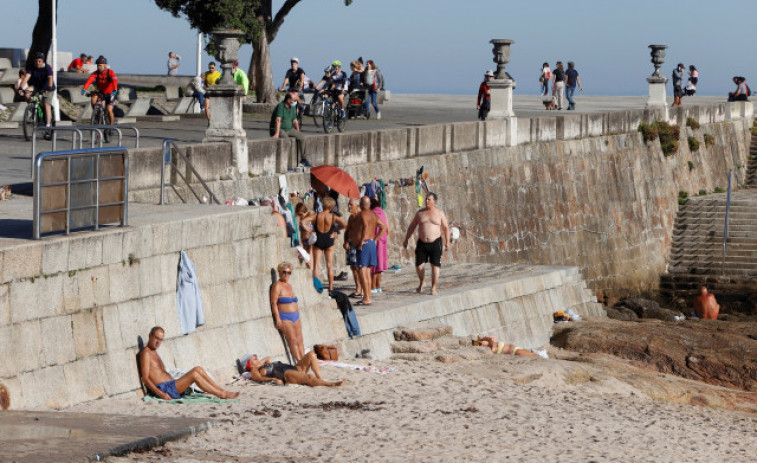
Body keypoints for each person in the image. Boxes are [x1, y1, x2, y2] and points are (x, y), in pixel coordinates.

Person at [139, 326, 240, 400]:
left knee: (198, 369)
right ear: (150, 336)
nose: (158, 342)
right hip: (165, 389)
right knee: (194, 375)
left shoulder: (154, 352)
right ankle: (221, 394)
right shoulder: (146, 353)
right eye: (156, 338)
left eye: (160, 340)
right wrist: (161, 394)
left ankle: (222, 390)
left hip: (171, 385)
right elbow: (145, 378)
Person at [403, 192, 451, 296]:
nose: (426, 201)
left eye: (429, 200)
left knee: (435, 266)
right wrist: (406, 239)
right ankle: (422, 281)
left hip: (435, 242)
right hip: (422, 242)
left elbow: (446, 227)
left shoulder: (439, 213)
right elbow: (412, 226)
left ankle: (433, 287)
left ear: (434, 201)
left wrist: (447, 242)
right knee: (419, 266)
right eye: (426, 199)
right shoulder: (420, 213)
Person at [353, 196, 386, 305]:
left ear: (362, 205)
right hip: (371, 243)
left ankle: (367, 298)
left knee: (362, 271)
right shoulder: (373, 214)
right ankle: (368, 297)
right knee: (367, 272)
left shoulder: (362, 214)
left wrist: (362, 240)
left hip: (365, 244)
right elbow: (383, 227)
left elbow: (366, 225)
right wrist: (375, 240)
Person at [309, 196, 347, 292]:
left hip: (318, 238)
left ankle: (316, 286)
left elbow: (303, 222)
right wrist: (335, 230)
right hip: (329, 239)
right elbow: (345, 225)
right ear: (331, 206)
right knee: (329, 265)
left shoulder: (316, 215)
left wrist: (311, 230)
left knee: (316, 264)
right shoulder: (333, 217)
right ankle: (331, 288)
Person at [270, 262, 306, 362]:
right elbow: (273, 303)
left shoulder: (289, 286)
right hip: (285, 317)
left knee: (300, 339)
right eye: (284, 272)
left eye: (289, 272)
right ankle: (299, 362)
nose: (286, 274)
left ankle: (304, 361)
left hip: (296, 316)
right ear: (279, 272)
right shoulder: (277, 285)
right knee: (293, 340)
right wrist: (277, 319)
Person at [246, 352, 344, 387]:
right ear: (250, 364)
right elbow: (258, 379)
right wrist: (273, 379)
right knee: (309, 377)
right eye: (254, 359)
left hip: (293, 367)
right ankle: (331, 384)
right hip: (286, 374)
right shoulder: (254, 371)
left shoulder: (262, 365)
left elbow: (268, 357)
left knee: (311, 354)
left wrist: (259, 363)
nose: (258, 359)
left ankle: (320, 379)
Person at [17, 52, 55, 130]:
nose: (38, 63)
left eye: (39, 61)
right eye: (36, 61)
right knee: (27, 94)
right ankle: (33, 108)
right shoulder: (32, 67)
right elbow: (26, 77)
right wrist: (21, 87)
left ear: (43, 61)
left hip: (47, 87)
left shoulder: (47, 67)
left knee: (46, 104)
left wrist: (48, 88)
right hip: (37, 86)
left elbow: (50, 79)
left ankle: (48, 126)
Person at [270, 91, 307, 162]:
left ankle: (304, 158)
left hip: (289, 129)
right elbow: (278, 120)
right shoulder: (281, 106)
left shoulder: (292, 108)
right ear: (288, 100)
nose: (293, 102)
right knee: (288, 142)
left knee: (302, 138)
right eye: (293, 100)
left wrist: (298, 131)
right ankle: (286, 162)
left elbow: (295, 121)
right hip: (280, 129)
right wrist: (277, 133)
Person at [81, 56, 118, 126]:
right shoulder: (96, 73)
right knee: (93, 98)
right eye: (98, 66)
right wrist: (84, 89)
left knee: (109, 110)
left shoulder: (110, 72)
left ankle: (111, 125)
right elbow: (89, 81)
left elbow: (114, 80)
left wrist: (115, 89)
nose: (99, 67)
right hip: (101, 92)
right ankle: (97, 113)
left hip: (111, 93)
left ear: (104, 65)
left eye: (100, 65)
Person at [343, 198, 363, 298]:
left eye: (351, 205)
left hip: (360, 245)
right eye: (348, 205)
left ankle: (362, 288)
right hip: (351, 245)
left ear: (357, 206)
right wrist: (346, 241)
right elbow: (347, 231)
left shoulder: (361, 217)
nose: (349, 206)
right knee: (353, 267)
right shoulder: (351, 218)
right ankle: (358, 288)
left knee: (359, 268)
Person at [370, 196, 389, 294]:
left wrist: (375, 239)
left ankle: (373, 286)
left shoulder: (372, 213)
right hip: (383, 241)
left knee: (373, 265)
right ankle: (378, 286)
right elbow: (387, 228)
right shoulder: (381, 212)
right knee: (379, 264)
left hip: (376, 241)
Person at [473, 335, 547, 358]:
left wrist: (482, 339)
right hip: (515, 352)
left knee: (533, 354)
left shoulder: (493, 343)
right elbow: (491, 340)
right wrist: (486, 339)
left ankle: (542, 354)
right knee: (536, 356)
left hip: (516, 349)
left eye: (480, 342)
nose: (482, 343)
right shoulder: (492, 348)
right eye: (480, 344)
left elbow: (492, 337)